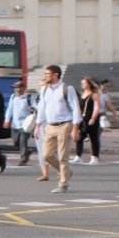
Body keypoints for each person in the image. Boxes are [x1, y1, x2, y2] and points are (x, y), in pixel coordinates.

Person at [34, 64, 80, 192]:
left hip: (64, 124)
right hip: (50, 125)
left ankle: (63, 184)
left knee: (62, 156)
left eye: (47, 74)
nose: (45, 77)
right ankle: (66, 172)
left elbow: (75, 107)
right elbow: (42, 107)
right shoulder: (44, 89)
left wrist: (76, 126)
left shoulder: (66, 88)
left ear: (56, 75)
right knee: (47, 155)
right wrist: (38, 125)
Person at [5, 85, 37, 165]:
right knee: (16, 142)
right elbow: (9, 109)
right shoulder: (13, 97)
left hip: (25, 124)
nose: (17, 89)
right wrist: (7, 120)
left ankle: (23, 159)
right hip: (15, 124)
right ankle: (27, 152)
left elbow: (36, 107)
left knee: (23, 141)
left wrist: (35, 113)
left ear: (23, 88)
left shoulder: (28, 98)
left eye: (19, 87)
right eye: (16, 88)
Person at [75, 78, 104, 164]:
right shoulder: (83, 94)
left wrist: (93, 118)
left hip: (91, 118)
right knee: (79, 136)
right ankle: (78, 156)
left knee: (93, 137)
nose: (82, 84)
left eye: (84, 83)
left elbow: (97, 107)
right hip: (82, 118)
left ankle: (95, 157)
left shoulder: (94, 94)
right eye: (82, 83)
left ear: (89, 84)